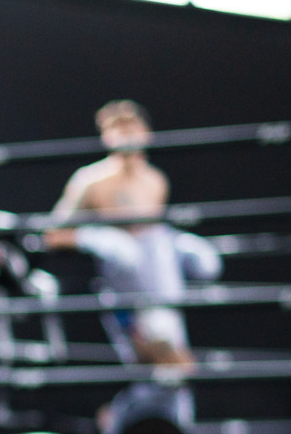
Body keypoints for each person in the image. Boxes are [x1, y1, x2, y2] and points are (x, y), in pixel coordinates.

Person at [46, 99, 219, 376]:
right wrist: (101, 239)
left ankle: (167, 331)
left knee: (204, 260)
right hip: (123, 285)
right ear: (106, 136)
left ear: (146, 133)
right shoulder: (90, 181)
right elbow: (54, 234)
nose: (126, 136)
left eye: (131, 128)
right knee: (125, 253)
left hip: (159, 280)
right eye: (118, 129)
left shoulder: (156, 180)